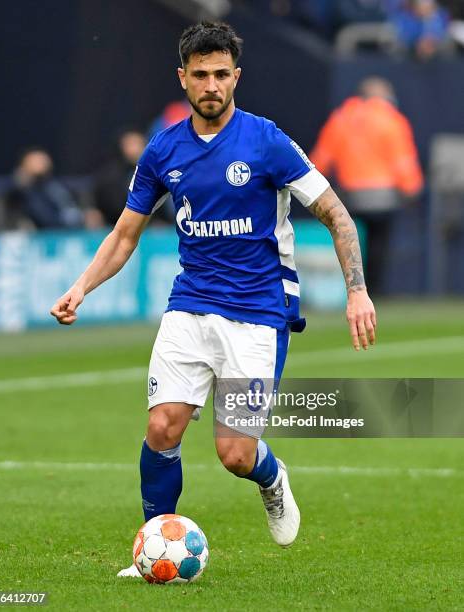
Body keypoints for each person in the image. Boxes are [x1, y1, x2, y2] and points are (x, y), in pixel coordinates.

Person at [50, 21, 376, 577]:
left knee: (235, 456)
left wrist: (358, 291)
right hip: (190, 305)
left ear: (236, 77)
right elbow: (126, 233)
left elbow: (335, 214)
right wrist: (81, 286)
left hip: (257, 314)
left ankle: (270, 477)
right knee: (162, 428)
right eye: (200, 74)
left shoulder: (266, 140)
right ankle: (155, 544)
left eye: (221, 74)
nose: (211, 85)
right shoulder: (163, 150)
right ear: (183, 78)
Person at [310, 77, 423, 294]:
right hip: (383, 198)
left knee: (351, 242)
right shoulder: (392, 119)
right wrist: (412, 188)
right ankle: (375, 292)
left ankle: (350, 289)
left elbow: (321, 160)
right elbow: (403, 161)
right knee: (378, 246)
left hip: (350, 196)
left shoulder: (341, 118)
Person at [6, 148, 84, 229]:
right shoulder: (21, 191)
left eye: (43, 160)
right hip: (44, 234)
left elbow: (71, 206)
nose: (41, 164)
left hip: (72, 230)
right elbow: (44, 218)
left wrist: (84, 216)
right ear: (25, 165)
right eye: (36, 161)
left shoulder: (57, 185)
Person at [93, 129, 148, 227]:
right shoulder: (109, 176)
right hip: (113, 225)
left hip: (148, 228)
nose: (135, 149)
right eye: (130, 144)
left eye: (138, 144)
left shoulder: (154, 173)